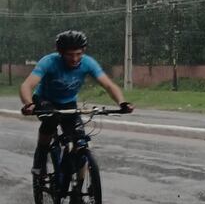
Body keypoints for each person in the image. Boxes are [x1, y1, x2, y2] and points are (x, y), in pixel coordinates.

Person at [19, 30, 134, 178]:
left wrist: (122, 102)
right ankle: (40, 159)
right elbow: (27, 85)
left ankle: (76, 190)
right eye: (69, 54)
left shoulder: (87, 63)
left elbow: (109, 85)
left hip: (68, 103)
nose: (75, 59)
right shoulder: (49, 62)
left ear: (83, 51)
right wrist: (28, 104)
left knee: (79, 138)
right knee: (51, 120)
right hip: (44, 100)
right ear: (61, 53)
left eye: (78, 53)